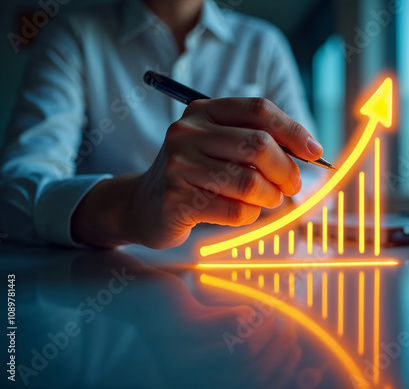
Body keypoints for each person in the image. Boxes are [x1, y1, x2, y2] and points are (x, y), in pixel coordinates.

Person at [0, 0, 325, 249]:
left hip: (244, 282)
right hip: (103, 291)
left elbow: (313, 182)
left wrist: (272, 192)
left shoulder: (264, 45)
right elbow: (15, 198)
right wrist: (130, 207)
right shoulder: (74, 35)